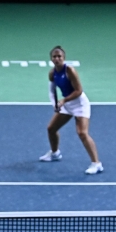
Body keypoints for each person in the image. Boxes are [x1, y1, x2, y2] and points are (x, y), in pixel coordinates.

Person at [40, 46, 101, 174]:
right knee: (51, 129)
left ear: (64, 58)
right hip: (67, 105)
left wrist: (63, 101)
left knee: (82, 133)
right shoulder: (52, 73)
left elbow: (79, 91)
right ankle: (55, 153)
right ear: (51, 59)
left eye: (59, 56)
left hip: (80, 104)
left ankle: (96, 164)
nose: (57, 59)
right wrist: (55, 104)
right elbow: (52, 90)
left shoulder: (70, 71)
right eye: (54, 57)